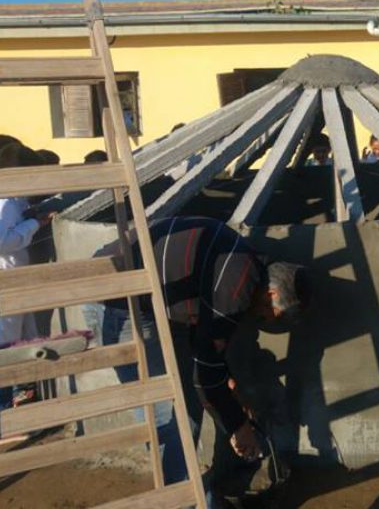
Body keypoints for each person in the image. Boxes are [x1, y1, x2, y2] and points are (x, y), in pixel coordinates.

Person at [99, 216, 308, 504]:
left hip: (155, 300)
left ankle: (190, 493)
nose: (267, 321)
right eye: (277, 316)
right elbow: (206, 375)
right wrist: (239, 426)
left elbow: (207, 349)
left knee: (187, 408)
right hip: (122, 300)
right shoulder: (238, 286)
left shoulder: (245, 268)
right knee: (167, 419)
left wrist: (228, 386)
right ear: (271, 294)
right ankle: (185, 499)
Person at [0, 143, 54, 422]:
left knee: (19, 341)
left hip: (10, 277)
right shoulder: (5, 201)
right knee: (1, 346)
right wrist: (34, 225)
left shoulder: (5, 199)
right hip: (4, 277)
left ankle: (16, 412)